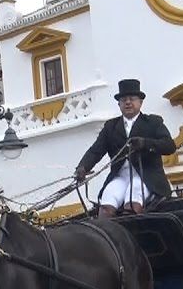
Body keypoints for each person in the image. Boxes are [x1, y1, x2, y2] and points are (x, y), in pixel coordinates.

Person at [75, 78, 177, 217]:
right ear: (119, 104)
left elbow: (169, 146)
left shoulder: (153, 122)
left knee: (132, 204)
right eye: (123, 100)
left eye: (132, 98)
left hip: (146, 177)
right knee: (105, 208)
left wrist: (145, 143)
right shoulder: (110, 127)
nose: (128, 102)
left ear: (140, 102)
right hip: (120, 177)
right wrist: (83, 167)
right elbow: (95, 151)